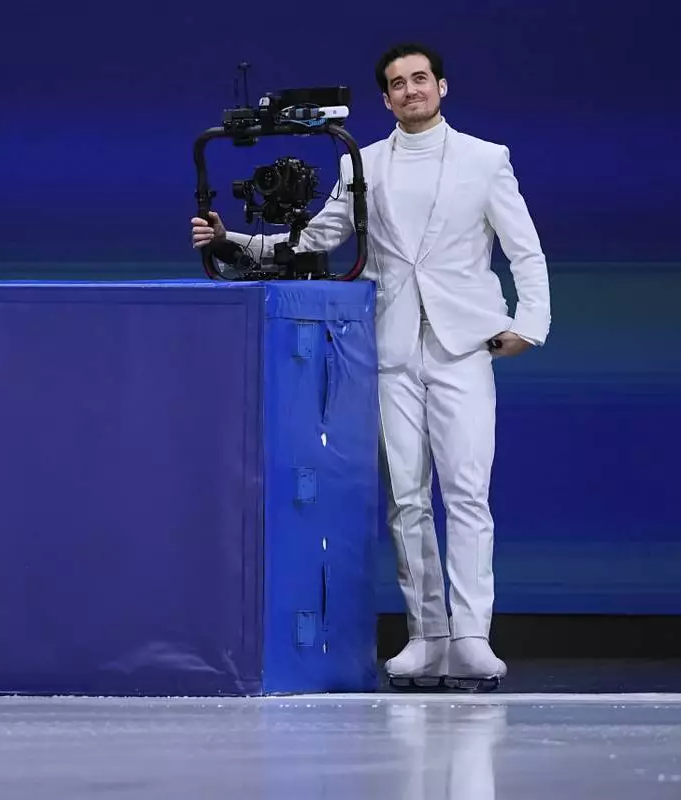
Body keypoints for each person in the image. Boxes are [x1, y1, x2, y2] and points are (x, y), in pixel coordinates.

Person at [191, 43, 550, 689]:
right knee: (406, 498)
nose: (410, 90)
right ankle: (427, 635)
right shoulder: (365, 162)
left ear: (441, 86)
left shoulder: (485, 158)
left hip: (462, 344)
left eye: (419, 79)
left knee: (466, 493)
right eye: (397, 84)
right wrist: (234, 241)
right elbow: (322, 235)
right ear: (385, 99)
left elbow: (525, 250)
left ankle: (471, 637)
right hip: (388, 348)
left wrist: (531, 324)